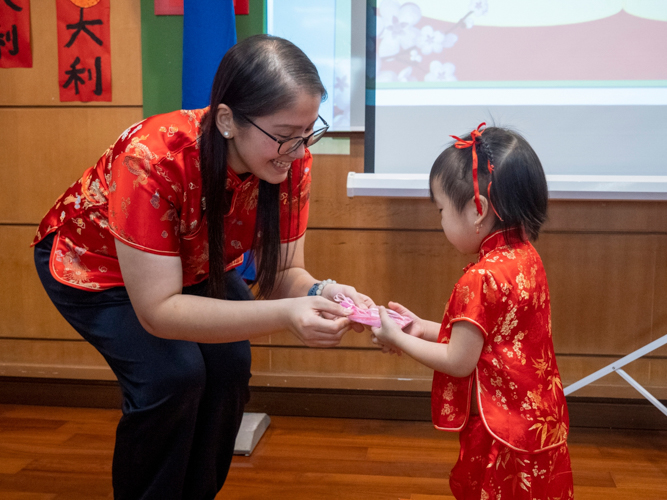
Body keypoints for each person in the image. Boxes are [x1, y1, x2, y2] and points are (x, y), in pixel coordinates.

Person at [32, 34, 371, 500]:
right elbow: (159, 311)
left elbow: (283, 274)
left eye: (309, 131)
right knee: (172, 377)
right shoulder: (152, 157)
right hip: (94, 267)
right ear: (228, 120)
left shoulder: (290, 160)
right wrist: (287, 316)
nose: (297, 151)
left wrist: (320, 293)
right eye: (284, 136)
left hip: (193, 263)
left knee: (230, 365)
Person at [370, 124, 573, 499]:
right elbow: (487, 340)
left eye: (442, 210)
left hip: (500, 430)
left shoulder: (480, 277)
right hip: (536, 421)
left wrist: (396, 337)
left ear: (477, 210)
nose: (441, 221)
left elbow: (459, 360)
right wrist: (420, 327)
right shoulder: (526, 258)